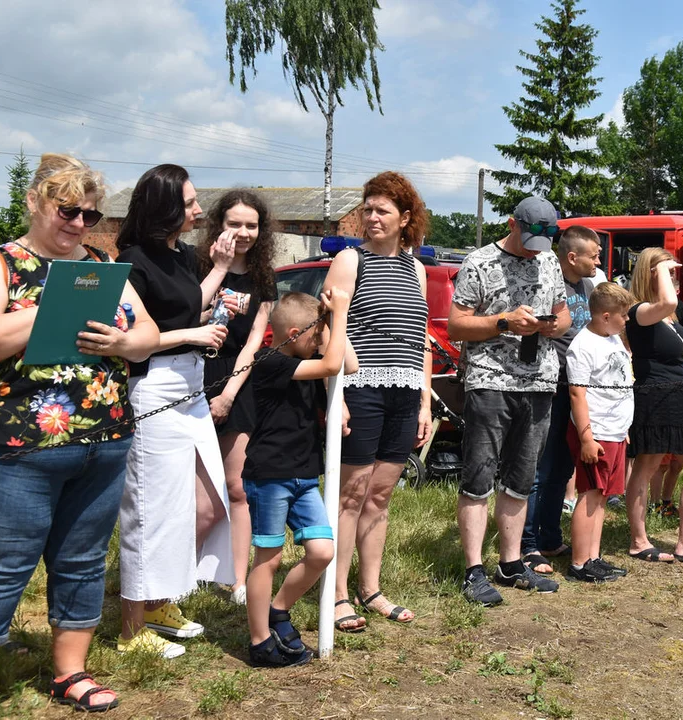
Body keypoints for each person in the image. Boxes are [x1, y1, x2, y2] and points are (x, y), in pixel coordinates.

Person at [0, 154, 160, 716]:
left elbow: (149, 333)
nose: (79, 223)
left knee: (81, 560)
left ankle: (70, 673)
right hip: (18, 446)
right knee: (1, 565)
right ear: (35, 201)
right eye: (68, 210)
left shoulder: (103, 265)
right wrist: (50, 309)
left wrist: (125, 344)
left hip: (104, 440)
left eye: (89, 214)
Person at [116, 164, 237, 659]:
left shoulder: (183, 255)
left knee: (209, 503)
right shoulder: (132, 261)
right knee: (149, 512)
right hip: (154, 387)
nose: (198, 210)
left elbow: (189, 304)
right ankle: (131, 631)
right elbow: (132, 344)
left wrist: (221, 269)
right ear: (165, 207)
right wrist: (191, 334)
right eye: (189, 203)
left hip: (188, 385)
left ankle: (159, 600)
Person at [448, 196, 571, 606]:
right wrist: (504, 322)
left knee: (521, 479)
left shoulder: (549, 260)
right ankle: (472, 571)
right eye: (530, 238)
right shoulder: (479, 262)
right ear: (512, 224)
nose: (536, 249)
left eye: (543, 240)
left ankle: (511, 563)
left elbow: (563, 311)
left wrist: (554, 327)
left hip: (538, 383)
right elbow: (456, 326)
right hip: (490, 382)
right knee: (479, 477)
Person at [322, 172, 431, 629]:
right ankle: (338, 593)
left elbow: (420, 339)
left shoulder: (416, 267)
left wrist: (425, 401)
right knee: (350, 493)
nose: (371, 218)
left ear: (405, 218)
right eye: (367, 209)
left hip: (406, 393)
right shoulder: (351, 261)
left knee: (381, 495)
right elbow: (330, 327)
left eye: (381, 210)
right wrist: (340, 392)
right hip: (361, 389)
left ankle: (371, 589)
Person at [243, 290, 354, 666]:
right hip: (270, 475)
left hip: (304, 475)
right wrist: (335, 319)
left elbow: (347, 365)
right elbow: (331, 365)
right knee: (269, 558)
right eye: (315, 333)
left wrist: (332, 321)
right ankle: (259, 641)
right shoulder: (270, 361)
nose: (320, 340)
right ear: (293, 332)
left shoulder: (308, 357)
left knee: (323, 551)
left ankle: (279, 609)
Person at [196, 190, 278, 605]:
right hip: (192, 375)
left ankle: (237, 580)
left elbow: (252, 345)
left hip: (237, 383)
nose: (243, 232)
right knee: (192, 487)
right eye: (234, 224)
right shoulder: (198, 265)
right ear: (218, 225)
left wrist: (229, 395)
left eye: (251, 225)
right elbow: (182, 318)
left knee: (237, 486)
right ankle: (184, 573)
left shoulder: (264, 278)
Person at [625, 248, 683, 564]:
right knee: (647, 466)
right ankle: (639, 541)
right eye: (669, 271)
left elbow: (675, 352)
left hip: (677, 395)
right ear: (652, 273)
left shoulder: (670, 315)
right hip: (654, 396)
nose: (676, 276)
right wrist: (660, 267)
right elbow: (667, 301)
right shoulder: (640, 310)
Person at [521, 225, 601, 575]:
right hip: (550, 386)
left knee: (562, 469)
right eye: (594, 254)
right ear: (572, 257)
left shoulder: (585, 286)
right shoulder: (550, 285)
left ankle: (550, 537)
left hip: (578, 386)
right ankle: (528, 544)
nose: (599, 259)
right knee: (540, 468)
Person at [565, 282, 635, 581]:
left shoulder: (614, 338)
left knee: (603, 495)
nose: (627, 320)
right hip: (596, 432)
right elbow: (577, 395)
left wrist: (624, 427)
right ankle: (579, 562)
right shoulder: (582, 346)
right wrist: (587, 437)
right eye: (623, 315)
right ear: (605, 316)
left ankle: (594, 556)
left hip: (616, 430)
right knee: (590, 493)